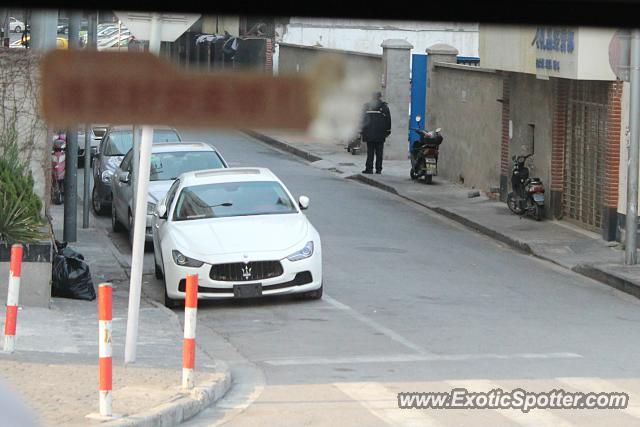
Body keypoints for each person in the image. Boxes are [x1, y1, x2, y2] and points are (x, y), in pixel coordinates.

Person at [361, 91, 391, 174]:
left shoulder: (366, 106)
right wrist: (388, 131)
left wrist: (361, 131)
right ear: (380, 97)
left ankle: (369, 169)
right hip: (380, 134)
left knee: (370, 152)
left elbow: (362, 119)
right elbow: (388, 119)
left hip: (369, 133)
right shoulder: (384, 107)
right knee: (379, 152)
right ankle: (378, 169)